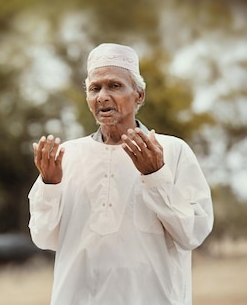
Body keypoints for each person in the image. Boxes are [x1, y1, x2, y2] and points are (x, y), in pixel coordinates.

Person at [28, 43, 214, 305]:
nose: (102, 96)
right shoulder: (66, 156)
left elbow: (192, 234)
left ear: (139, 95)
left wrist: (156, 176)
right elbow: (43, 237)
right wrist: (50, 185)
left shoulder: (172, 151)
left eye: (114, 86)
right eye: (95, 88)